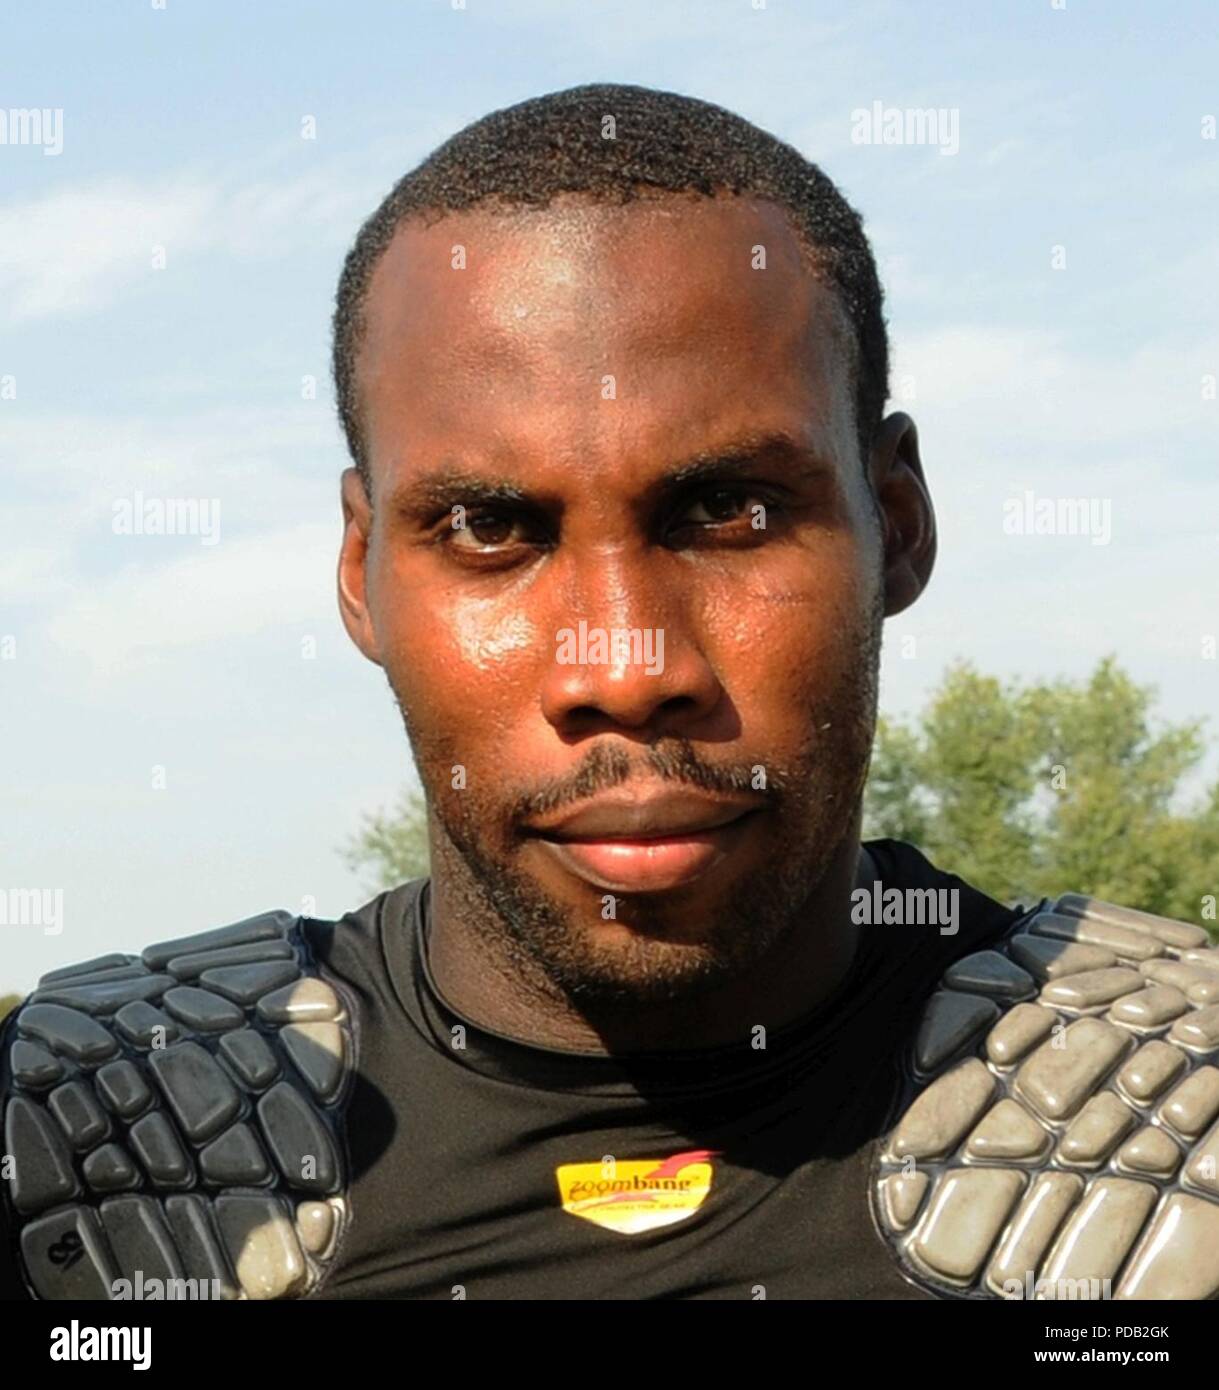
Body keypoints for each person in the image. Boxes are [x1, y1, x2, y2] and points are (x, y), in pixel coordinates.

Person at [3, 84, 1215, 1303]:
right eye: (490, 529)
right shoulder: (79, 1159)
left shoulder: (1182, 1131)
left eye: (729, 511)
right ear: (360, 574)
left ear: (894, 523)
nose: (627, 670)